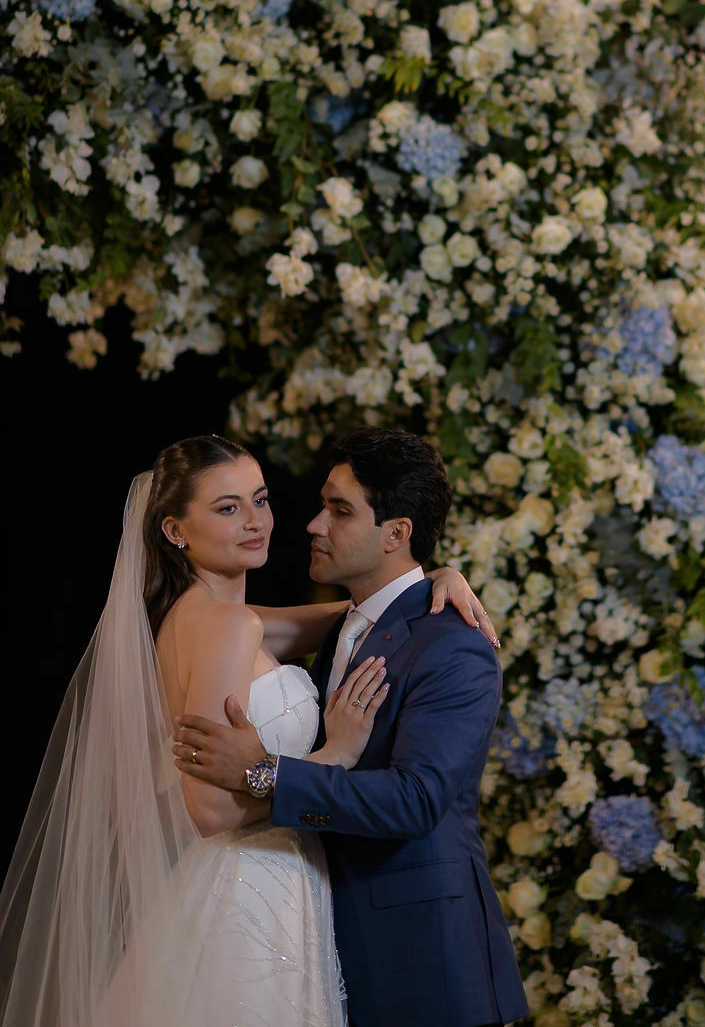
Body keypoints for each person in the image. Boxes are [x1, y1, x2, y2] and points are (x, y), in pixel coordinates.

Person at [0, 432, 493, 1027]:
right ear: (175, 530)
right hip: (251, 894)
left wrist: (437, 575)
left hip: (280, 890)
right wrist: (333, 753)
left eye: (259, 500)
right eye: (227, 508)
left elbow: (363, 612)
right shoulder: (225, 628)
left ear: (396, 531)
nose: (260, 521)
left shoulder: (216, 620)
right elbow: (207, 809)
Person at [175, 424, 528, 1027]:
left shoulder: (455, 648)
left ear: (396, 533)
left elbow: (416, 801)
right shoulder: (344, 626)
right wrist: (437, 573)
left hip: (422, 957)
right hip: (320, 937)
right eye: (322, 505)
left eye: (340, 511)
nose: (313, 524)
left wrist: (263, 773)